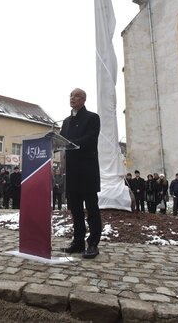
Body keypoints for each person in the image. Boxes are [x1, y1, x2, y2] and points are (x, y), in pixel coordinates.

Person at [60, 88, 102, 259]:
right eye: (70, 95)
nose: (72, 98)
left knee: (91, 209)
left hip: (87, 171)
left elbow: (91, 139)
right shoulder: (66, 121)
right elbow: (61, 140)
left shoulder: (92, 118)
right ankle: (78, 242)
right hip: (72, 171)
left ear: (84, 99)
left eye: (76, 96)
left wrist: (70, 143)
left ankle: (93, 243)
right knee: (75, 209)